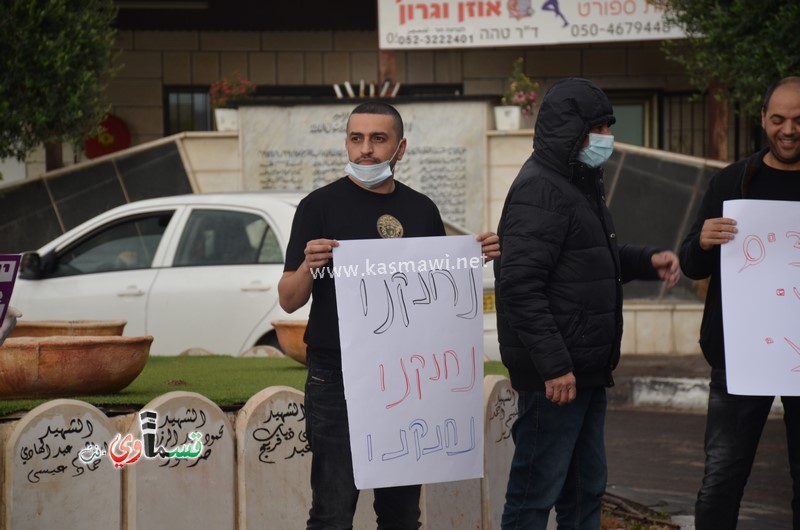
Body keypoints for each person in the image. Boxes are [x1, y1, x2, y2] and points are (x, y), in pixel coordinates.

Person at [277, 100, 500, 530]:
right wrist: (309, 263)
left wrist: (476, 259)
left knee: (401, 516)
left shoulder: (422, 210)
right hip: (336, 375)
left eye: (378, 139)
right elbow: (288, 299)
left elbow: (436, 292)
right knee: (332, 511)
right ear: (346, 142)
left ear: (400, 148)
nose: (366, 150)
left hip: (403, 379)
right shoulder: (318, 207)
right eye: (356, 138)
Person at [494, 77, 681, 529]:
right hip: (556, 378)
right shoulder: (541, 189)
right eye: (597, 128)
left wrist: (645, 260)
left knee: (584, 489)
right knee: (534, 495)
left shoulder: (578, 181)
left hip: (585, 371)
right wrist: (554, 365)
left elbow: (586, 259)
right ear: (570, 131)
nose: (606, 138)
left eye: (606, 127)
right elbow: (520, 285)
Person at [679, 76, 800, 529]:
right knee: (722, 478)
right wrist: (704, 241)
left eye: (798, 120)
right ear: (764, 119)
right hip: (741, 358)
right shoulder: (733, 181)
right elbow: (692, 265)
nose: (788, 130)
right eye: (778, 119)